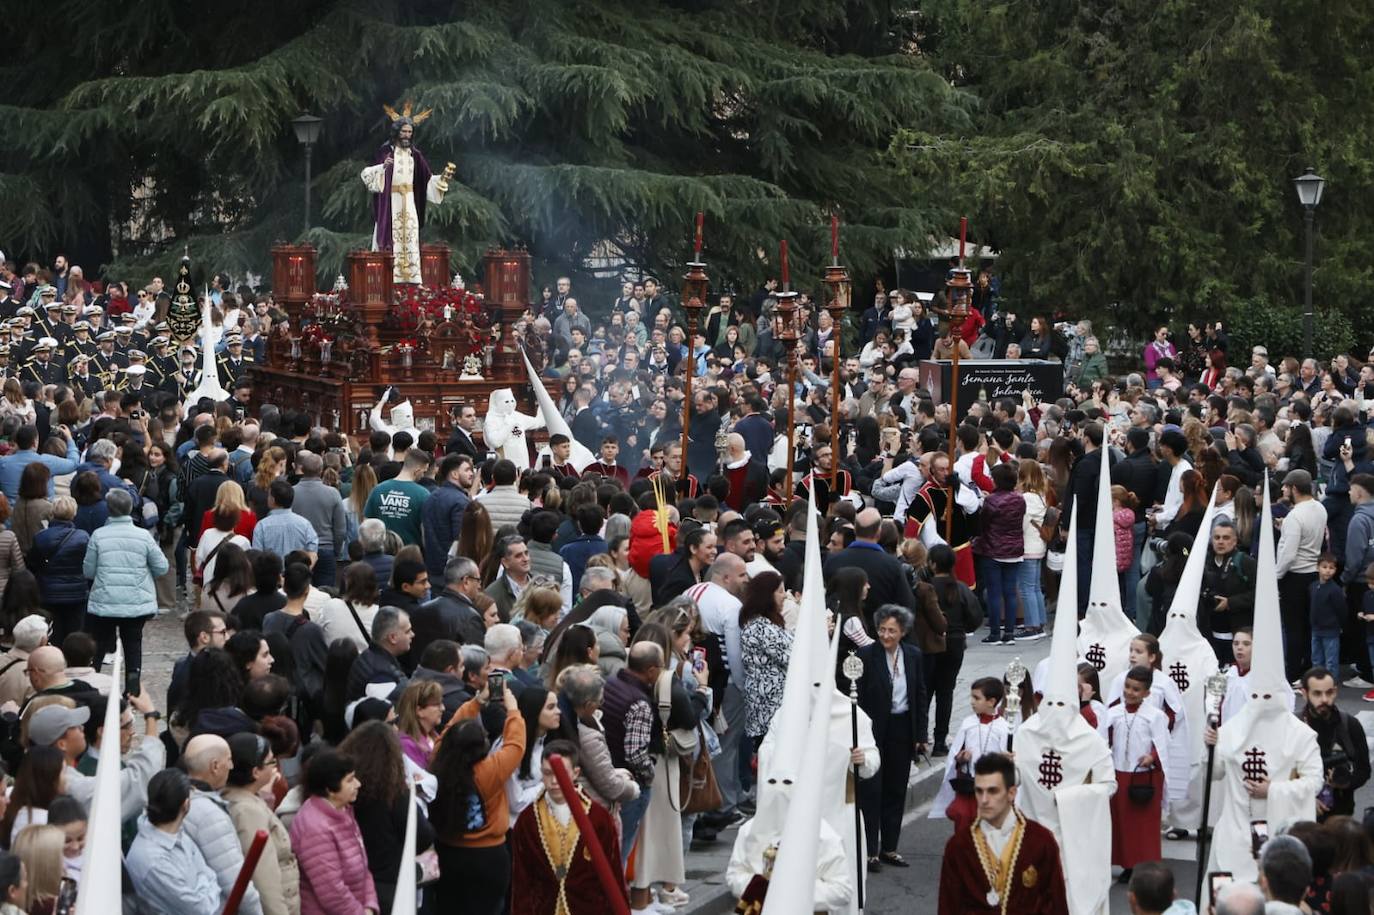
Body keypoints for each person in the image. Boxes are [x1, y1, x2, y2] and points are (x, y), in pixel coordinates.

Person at [429, 675, 523, 914]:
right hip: (487, 857)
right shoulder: (490, 771)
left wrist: (476, 703)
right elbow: (515, 744)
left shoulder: (438, 764)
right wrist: (512, 710)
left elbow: (448, 731)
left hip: (447, 853)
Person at [936, 752, 1069, 914]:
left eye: (993, 791)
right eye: (979, 791)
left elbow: (1056, 904)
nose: (984, 800)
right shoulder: (959, 847)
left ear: (1011, 793)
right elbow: (948, 907)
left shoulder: (1040, 841)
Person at [509, 739, 628, 915]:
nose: (554, 780)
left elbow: (613, 874)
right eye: (548, 773)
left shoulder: (598, 818)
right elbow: (522, 881)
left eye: (562, 773)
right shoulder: (528, 821)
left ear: (575, 773)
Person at [856, 604, 927, 871]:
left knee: (896, 788)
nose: (886, 635)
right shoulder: (865, 655)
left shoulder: (913, 655)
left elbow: (920, 693)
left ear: (903, 632)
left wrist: (921, 733)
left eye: (892, 631)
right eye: (882, 630)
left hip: (902, 727)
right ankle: (870, 850)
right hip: (873, 730)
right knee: (871, 789)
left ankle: (890, 847)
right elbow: (857, 698)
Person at [337, 720, 435, 913]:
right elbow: (423, 836)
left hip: (351, 884)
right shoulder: (394, 793)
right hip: (391, 886)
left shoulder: (340, 790)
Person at [82, 487, 167, 687]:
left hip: (105, 599)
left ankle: (93, 684)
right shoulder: (144, 536)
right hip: (136, 600)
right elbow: (162, 567)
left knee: (100, 644)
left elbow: (88, 571)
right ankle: (132, 687)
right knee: (133, 644)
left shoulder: (98, 535)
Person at [287, 749, 379, 915]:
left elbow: (364, 869)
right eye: (350, 780)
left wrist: (370, 905)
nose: (358, 784)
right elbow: (331, 891)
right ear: (330, 789)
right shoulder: (314, 827)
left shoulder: (343, 810)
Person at [181, 733, 265, 915]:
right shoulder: (208, 815)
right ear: (215, 766)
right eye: (229, 760)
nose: (232, 766)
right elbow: (234, 879)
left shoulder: (179, 799)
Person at [126, 768, 225, 915]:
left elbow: (210, 875)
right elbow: (201, 910)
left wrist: (202, 889)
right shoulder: (154, 861)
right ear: (186, 804)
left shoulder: (178, 834)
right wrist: (205, 887)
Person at [1104, 666, 1171, 881]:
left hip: (1143, 776)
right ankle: (1127, 864)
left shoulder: (1155, 716)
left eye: (1136, 689)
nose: (1130, 692)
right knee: (1122, 823)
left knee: (1143, 826)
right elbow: (1104, 739)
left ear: (1146, 693)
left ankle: (1144, 865)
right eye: (1127, 687)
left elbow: (1162, 743)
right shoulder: (1113, 713)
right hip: (1119, 773)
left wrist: (1152, 756)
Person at [223, 732, 300, 915]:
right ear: (255, 772)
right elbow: (263, 876)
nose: (276, 768)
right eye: (272, 762)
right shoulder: (248, 811)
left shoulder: (247, 799)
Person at [931, 677, 1009, 835]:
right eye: (971, 697)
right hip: (969, 787)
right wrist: (961, 759)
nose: (972, 702)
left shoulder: (1003, 728)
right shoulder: (968, 723)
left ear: (991, 701)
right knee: (965, 827)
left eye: (976, 698)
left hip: (993, 789)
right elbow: (955, 757)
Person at [1298, 666, 1370, 820]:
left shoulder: (1350, 725)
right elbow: (1280, 775)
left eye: (1329, 692)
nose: (1324, 699)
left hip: (1340, 819)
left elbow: (1364, 770)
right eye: (1317, 693)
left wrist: (1345, 783)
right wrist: (1305, 800)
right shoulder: (1292, 727)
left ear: (1335, 691)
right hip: (1301, 819)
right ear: (1304, 693)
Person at [824, 507, 917, 615]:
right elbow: (907, 607)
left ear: (855, 530)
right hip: (880, 629)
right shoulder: (892, 566)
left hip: (840, 627)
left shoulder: (833, 561)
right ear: (878, 533)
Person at [364, 449, 431, 546]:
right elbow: (425, 531)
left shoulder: (378, 490)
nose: (423, 476)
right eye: (423, 472)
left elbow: (367, 524)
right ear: (417, 471)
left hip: (381, 551)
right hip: (410, 553)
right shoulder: (423, 494)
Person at [395, 679, 445, 770]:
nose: (443, 708)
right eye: (437, 704)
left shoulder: (435, 737)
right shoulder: (406, 745)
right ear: (419, 711)